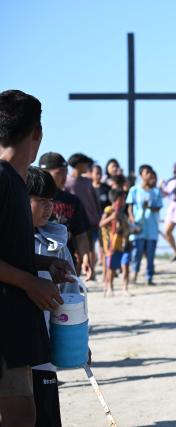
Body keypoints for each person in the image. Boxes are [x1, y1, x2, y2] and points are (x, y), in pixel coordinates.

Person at [0, 90, 67, 426]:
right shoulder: (3, 180)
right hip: (5, 322)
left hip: (14, 322)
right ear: (37, 133)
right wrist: (28, 281)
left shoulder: (15, 181)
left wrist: (43, 265)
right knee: (19, 416)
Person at [27, 166, 83, 427]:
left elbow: (71, 293)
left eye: (51, 201)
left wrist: (77, 340)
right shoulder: (11, 238)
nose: (48, 207)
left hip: (46, 339)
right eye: (41, 201)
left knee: (45, 405)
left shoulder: (57, 241)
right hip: (14, 340)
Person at [39, 152, 93, 280]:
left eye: (65, 172)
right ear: (44, 172)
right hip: (37, 262)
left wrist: (85, 258)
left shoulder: (72, 201)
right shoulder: (31, 198)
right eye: (59, 173)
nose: (64, 177)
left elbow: (80, 234)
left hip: (66, 263)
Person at [65, 153, 101, 279]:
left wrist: (98, 216)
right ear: (78, 165)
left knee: (90, 248)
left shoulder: (87, 181)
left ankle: (91, 273)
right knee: (76, 251)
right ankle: (77, 275)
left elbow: (95, 201)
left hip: (91, 221)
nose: (88, 167)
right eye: (86, 164)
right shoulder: (67, 182)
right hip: (74, 222)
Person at [127, 165, 163, 285]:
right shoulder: (134, 190)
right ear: (141, 175)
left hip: (152, 227)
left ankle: (149, 277)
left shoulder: (156, 191)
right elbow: (130, 207)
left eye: (150, 173)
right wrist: (132, 220)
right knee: (137, 252)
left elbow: (159, 207)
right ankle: (134, 275)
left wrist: (150, 207)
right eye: (146, 172)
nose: (149, 175)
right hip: (138, 227)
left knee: (150, 254)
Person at [100, 189, 130, 296]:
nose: (124, 201)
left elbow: (126, 228)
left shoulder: (123, 213)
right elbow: (101, 224)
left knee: (125, 266)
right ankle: (110, 287)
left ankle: (125, 288)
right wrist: (112, 217)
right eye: (122, 198)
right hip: (111, 244)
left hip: (123, 244)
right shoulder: (108, 210)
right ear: (116, 199)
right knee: (111, 268)